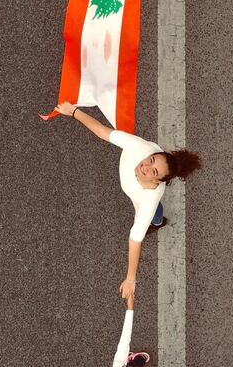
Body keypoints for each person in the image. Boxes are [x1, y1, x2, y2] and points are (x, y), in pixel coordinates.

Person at [52, 102, 202, 299]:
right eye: (151, 160)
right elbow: (101, 132)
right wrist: (73, 112)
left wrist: (131, 279)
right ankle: (156, 220)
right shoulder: (140, 147)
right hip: (133, 190)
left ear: (158, 181)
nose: (146, 166)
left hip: (140, 198)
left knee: (152, 214)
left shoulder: (149, 199)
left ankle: (157, 222)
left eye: (154, 171)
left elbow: (135, 240)